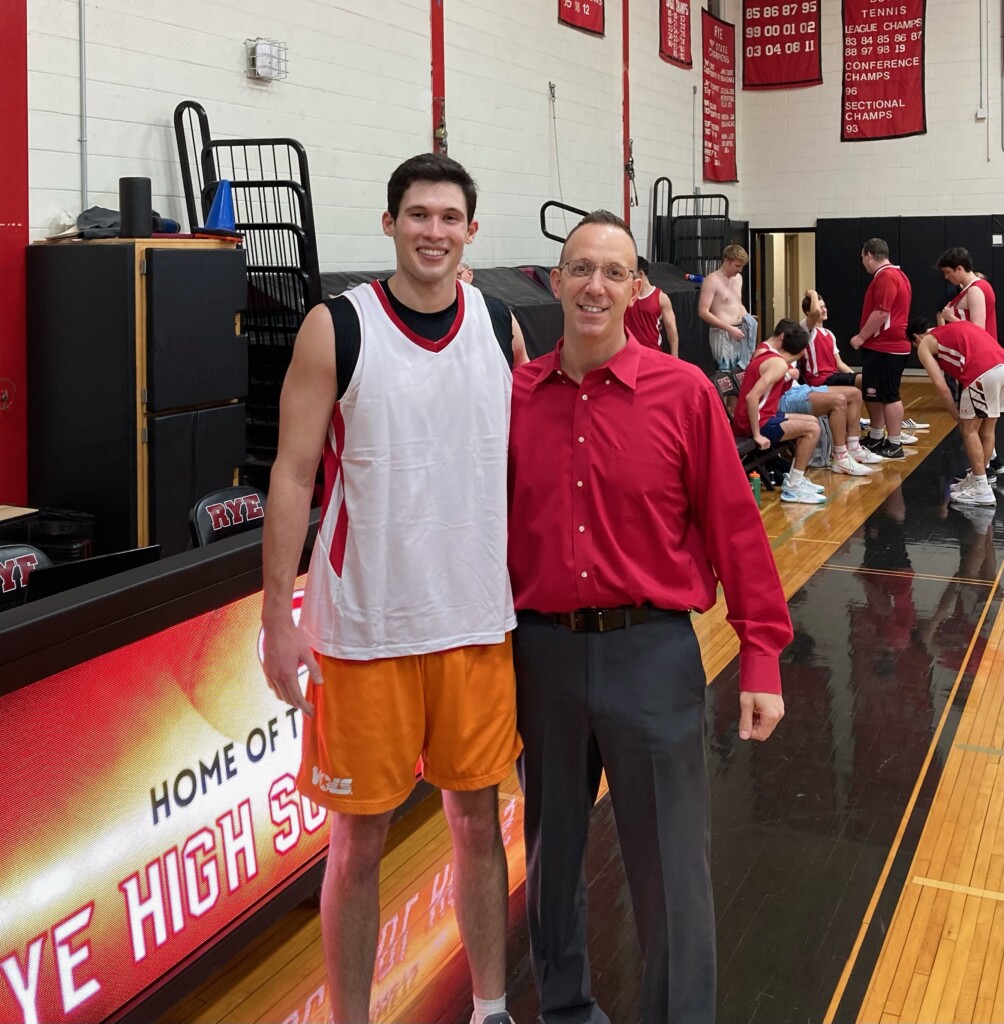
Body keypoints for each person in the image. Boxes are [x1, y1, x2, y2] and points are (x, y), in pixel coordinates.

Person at [260, 152, 526, 1024]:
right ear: (389, 224)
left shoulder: (497, 321)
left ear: (471, 232)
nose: (434, 231)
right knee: (359, 842)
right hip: (365, 627)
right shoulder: (336, 326)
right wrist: (277, 620)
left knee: (478, 825)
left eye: (450, 217)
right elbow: (293, 478)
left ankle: (489, 1008)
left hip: (475, 621)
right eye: (419, 215)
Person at [509, 210, 791, 1024]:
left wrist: (762, 657)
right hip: (544, 659)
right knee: (551, 865)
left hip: (652, 655)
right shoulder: (516, 398)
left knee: (671, 875)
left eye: (613, 271)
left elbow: (737, 529)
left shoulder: (684, 393)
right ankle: (564, 1010)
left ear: (638, 288)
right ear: (556, 283)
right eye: (579, 269)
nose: (595, 284)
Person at [763, 301, 880, 475]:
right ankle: (840, 457)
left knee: (855, 394)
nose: (823, 309)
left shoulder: (823, 336)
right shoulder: (771, 354)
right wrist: (788, 374)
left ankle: (853, 447)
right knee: (838, 401)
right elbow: (757, 393)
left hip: (798, 390)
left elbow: (838, 362)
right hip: (788, 395)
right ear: (782, 337)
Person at [907, 316, 1004, 507]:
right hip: (1001, 365)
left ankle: (981, 488)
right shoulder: (955, 328)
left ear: (915, 338)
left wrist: (955, 415)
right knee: (987, 429)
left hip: (981, 372)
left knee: (969, 430)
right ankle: (978, 478)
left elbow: (941, 386)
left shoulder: (926, 343)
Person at [733, 320, 827, 502]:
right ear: (801, 353)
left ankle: (795, 478)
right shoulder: (779, 365)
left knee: (812, 421)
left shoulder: (768, 354)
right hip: (753, 424)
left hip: (762, 416)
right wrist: (757, 434)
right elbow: (751, 397)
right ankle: (793, 488)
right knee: (812, 430)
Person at [849, 238, 913, 460]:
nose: (863, 264)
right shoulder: (897, 275)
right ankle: (877, 436)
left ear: (868, 255)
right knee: (874, 392)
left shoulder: (886, 276)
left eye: (863, 259)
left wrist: (861, 336)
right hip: (884, 345)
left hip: (887, 346)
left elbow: (881, 313)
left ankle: (895, 443)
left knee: (889, 395)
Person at [698, 243, 758, 371]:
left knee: (742, 371)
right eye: (737, 266)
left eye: (742, 266)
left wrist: (747, 317)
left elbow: (737, 303)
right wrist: (729, 328)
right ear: (726, 261)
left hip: (739, 330)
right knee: (725, 373)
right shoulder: (712, 280)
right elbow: (703, 312)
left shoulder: (738, 278)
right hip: (722, 332)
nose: (740, 270)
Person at [937, 246, 998, 341]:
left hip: (978, 351)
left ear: (959, 269)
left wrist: (951, 317)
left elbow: (978, 331)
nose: (946, 277)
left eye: (948, 272)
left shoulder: (975, 290)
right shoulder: (972, 288)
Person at [624, 255, 679, 355]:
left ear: (640, 274)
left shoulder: (661, 297)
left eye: (632, 274)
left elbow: (671, 329)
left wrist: (674, 356)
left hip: (652, 352)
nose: (629, 277)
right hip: (627, 352)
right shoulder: (625, 295)